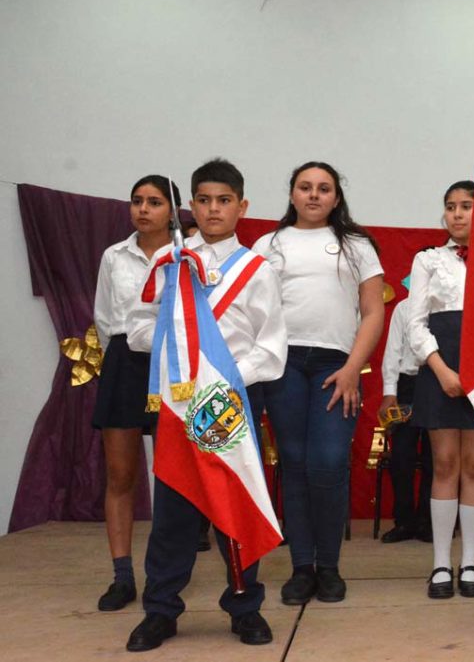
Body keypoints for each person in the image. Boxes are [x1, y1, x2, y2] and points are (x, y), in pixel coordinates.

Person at [124, 158, 287, 651]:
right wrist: (179, 356)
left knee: (233, 500)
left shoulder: (258, 270)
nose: (214, 210)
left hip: (228, 404)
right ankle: (161, 609)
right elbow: (136, 328)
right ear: (189, 206)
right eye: (204, 200)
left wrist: (227, 377)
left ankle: (245, 606)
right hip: (178, 404)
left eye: (224, 201)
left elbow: (272, 345)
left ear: (242, 206)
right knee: (173, 507)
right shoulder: (167, 262)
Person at [253, 161, 385, 605]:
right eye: (305, 187)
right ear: (291, 194)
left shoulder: (356, 245)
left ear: (336, 197)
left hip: (337, 366)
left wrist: (352, 368)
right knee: (293, 462)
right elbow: (251, 312)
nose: (314, 195)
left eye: (323, 188)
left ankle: (328, 566)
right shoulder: (268, 245)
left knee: (327, 463)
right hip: (283, 364)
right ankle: (301, 568)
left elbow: (373, 312)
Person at [93, 175, 178, 611]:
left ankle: (164, 575)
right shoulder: (114, 256)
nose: (143, 209)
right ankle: (122, 576)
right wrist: (119, 364)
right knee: (121, 475)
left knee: (171, 478)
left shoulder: (186, 256)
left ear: (173, 211)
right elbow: (105, 320)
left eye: (155, 202)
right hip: (124, 363)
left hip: (172, 365)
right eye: (137, 201)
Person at [406, 181, 474, 600]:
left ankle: (470, 562)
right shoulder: (428, 260)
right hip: (440, 364)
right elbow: (414, 322)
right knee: (445, 463)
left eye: (467, 206)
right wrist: (440, 369)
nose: (457, 214)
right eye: (451, 207)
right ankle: (441, 563)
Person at [378, 292, 433, 544]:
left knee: (435, 458)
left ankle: (428, 521)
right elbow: (392, 352)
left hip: (437, 382)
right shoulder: (404, 307)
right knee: (401, 456)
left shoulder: (447, 304)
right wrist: (390, 392)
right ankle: (404, 521)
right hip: (407, 385)